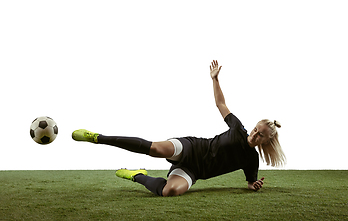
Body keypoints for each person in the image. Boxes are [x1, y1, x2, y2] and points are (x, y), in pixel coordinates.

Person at [72, 60, 285, 197]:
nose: (255, 134)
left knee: (170, 191)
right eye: (256, 129)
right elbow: (221, 104)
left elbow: (249, 183)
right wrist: (215, 79)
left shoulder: (251, 159)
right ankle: (99, 137)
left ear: (266, 141)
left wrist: (254, 186)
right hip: (192, 148)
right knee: (154, 149)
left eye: (260, 135)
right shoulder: (238, 128)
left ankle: (136, 175)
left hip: (195, 171)